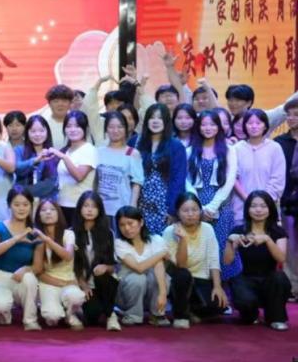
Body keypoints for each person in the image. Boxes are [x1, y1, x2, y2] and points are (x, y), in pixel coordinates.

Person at [223, 191, 290, 331]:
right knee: (243, 298)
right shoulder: (238, 230)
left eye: (263, 206)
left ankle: (276, 318)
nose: (258, 210)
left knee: (280, 277)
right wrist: (230, 242)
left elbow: (281, 258)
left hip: (269, 279)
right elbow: (227, 261)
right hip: (245, 278)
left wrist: (267, 240)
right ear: (247, 209)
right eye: (254, 206)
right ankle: (250, 314)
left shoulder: (278, 232)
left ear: (270, 209)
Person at [161, 192, 227, 328]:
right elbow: (181, 265)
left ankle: (190, 310)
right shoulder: (169, 231)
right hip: (179, 280)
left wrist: (217, 286)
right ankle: (181, 316)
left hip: (201, 279)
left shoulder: (208, 229)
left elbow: (214, 259)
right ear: (178, 212)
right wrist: (183, 239)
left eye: (194, 210)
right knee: (183, 274)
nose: (190, 214)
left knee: (219, 305)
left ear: (200, 211)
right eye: (185, 210)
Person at [0, 186, 41, 330]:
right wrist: (16, 239)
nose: (21, 208)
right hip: (1, 277)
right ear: (9, 205)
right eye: (16, 204)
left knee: (30, 278)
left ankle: (30, 320)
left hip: (22, 279)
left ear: (31, 206)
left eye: (25, 204)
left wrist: (26, 269)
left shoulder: (35, 232)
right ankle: (5, 314)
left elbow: (38, 266)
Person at [186, 110, 237, 266]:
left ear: (218, 127)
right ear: (198, 127)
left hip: (221, 205)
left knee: (221, 246)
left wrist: (213, 206)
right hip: (195, 205)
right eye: (204, 125)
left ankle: (222, 280)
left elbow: (230, 180)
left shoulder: (229, 150)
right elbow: (186, 180)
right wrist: (199, 208)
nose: (208, 128)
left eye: (212, 124)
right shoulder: (189, 151)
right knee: (199, 248)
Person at [113, 205, 169, 326]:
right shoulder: (119, 243)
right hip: (125, 294)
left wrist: (163, 293)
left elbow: (159, 265)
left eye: (130, 223)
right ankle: (132, 315)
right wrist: (162, 253)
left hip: (149, 293)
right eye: (122, 225)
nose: (127, 228)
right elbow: (139, 267)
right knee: (138, 277)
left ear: (141, 222)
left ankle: (157, 314)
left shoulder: (156, 240)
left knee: (162, 277)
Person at [32, 199, 84, 328]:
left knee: (76, 297)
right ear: (38, 215)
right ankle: (53, 308)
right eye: (43, 210)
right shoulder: (37, 238)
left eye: (52, 209)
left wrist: (47, 240)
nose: (48, 212)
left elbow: (68, 256)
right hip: (48, 282)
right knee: (52, 318)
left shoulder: (68, 234)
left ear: (59, 213)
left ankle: (70, 313)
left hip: (69, 279)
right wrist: (61, 283)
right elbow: (39, 272)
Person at [73, 192, 121, 330]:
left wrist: (106, 267)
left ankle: (111, 316)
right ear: (79, 208)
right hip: (80, 283)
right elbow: (70, 265)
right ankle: (98, 309)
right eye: (86, 206)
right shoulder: (71, 232)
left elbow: (113, 266)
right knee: (92, 316)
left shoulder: (108, 233)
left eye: (94, 206)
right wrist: (82, 283)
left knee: (104, 276)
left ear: (100, 210)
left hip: (102, 282)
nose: (89, 210)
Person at [137, 103, 187, 233]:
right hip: (140, 204)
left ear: (166, 121)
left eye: (160, 118)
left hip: (164, 206)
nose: (155, 121)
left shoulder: (176, 146)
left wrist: (172, 209)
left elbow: (178, 179)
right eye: (152, 117)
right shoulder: (137, 143)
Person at [232, 108, 286, 229]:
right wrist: (248, 200)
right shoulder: (236, 149)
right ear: (245, 126)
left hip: (268, 207)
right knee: (241, 238)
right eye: (250, 123)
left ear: (265, 126)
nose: (254, 126)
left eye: (258, 123)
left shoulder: (275, 148)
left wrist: (262, 203)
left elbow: (278, 179)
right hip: (241, 207)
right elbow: (233, 178)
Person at [94, 111, 143, 224]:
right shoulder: (99, 151)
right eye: (111, 127)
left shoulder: (131, 153)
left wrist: (132, 206)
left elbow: (137, 183)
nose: (115, 131)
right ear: (106, 129)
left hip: (122, 209)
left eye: (120, 127)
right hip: (100, 209)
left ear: (126, 129)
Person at [53, 110, 97, 226]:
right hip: (62, 203)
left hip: (80, 205)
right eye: (69, 126)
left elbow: (79, 176)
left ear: (85, 128)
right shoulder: (68, 150)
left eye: (77, 126)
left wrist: (63, 157)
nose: (72, 130)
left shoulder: (89, 149)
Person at [276, 99, 298, 301]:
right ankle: (292, 287)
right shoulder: (280, 142)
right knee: (290, 248)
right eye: (288, 115)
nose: (291, 118)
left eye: (296, 115)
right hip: (288, 202)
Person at [13, 114, 59, 201]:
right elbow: (17, 168)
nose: (37, 134)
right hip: (23, 203)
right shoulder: (19, 150)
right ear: (27, 133)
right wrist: (35, 160)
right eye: (33, 131)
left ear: (47, 132)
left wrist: (22, 190)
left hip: (46, 203)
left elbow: (51, 183)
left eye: (41, 131)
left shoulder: (53, 153)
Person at [42, 84, 75, 148]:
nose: (60, 104)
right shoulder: (43, 125)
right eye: (56, 101)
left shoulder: (78, 124)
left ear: (70, 103)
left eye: (64, 101)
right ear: (49, 104)